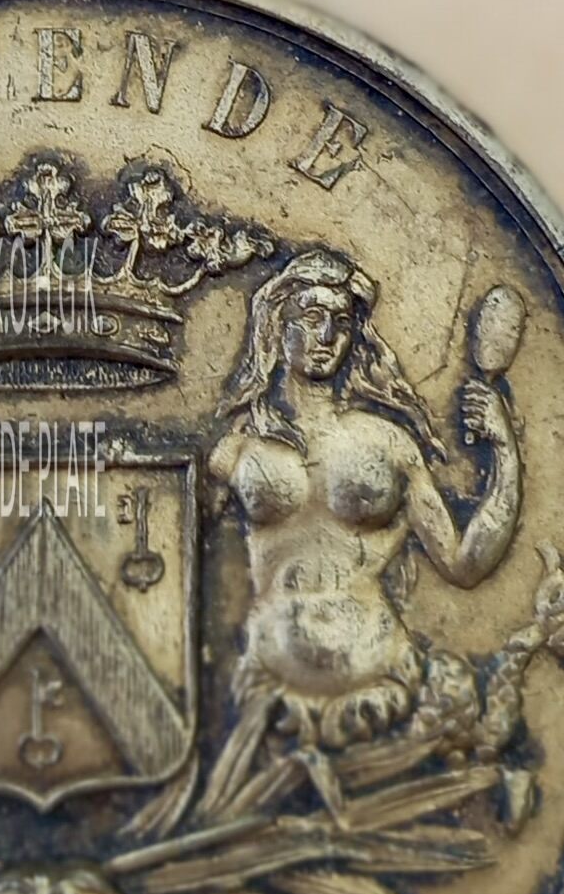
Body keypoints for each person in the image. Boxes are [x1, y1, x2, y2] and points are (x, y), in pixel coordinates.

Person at [204, 248, 520, 812]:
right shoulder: (235, 452)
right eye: (310, 316)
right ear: (277, 326)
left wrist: (505, 451)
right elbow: (184, 562)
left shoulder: (389, 443)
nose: (326, 335)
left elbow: (464, 565)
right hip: (267, 703)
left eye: (341, 322)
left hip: (385, 694)